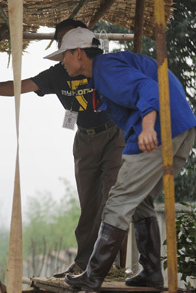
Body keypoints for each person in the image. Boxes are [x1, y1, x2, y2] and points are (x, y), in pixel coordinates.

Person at [0, 19, 125, 277]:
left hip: (114, 136)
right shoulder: (57, 74)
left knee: (112, 200)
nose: (63, 47)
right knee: (89, 206)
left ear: (80, 48)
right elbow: (21, 86)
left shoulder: (103, 66)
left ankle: (108, 266)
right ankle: (83, 263)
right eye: (60, 42)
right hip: (84, 140)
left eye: (68, 41)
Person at [43, 27, 196, 291]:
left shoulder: (106, 69)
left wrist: (148, 127)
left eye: (63, 56)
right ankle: (151, 273)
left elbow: (148, 88)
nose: (62, 63)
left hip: (161, 128)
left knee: (118, 200)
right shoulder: (106, 70)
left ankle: (93, 275)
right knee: (140, 201)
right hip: (180, 126)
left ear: (78, 53)